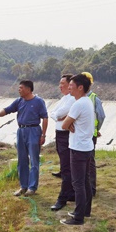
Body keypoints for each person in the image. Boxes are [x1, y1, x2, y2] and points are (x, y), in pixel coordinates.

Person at [0, 80, 48, 196]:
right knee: (22, 159)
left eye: (21, 88)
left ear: (28, 89)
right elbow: (7, 109)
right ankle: (23, 186)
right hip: (21, 131)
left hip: (33, 130)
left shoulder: (38, 101)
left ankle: (32, 187)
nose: (19, 90)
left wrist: (43, 134)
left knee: (34, 160)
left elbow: (45, 118)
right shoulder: (19, 101)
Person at [60, 74, 95, 226]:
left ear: (80, 87)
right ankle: (85, 210)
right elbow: (69, 122)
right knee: (85, 181)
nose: (69, 88)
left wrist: (69, 123)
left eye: (71, 86)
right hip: (86, 146)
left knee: (78, 183)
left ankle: (78, 217)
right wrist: (70, 122)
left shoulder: (78, 104)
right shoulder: (86, 101)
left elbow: (63, 124)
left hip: (78, 148)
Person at [49, 74, 75, 210]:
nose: (60, 86)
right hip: (60, 134)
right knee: (65, 166)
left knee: (66, 168)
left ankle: (63, 198)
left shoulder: (71, 100)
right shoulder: (64, 99)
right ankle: (71, 193)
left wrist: (58, 116)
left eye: (63, 83)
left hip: (66, 135)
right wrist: (57, 116)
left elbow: (58, 115)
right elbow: (54, 114)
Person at [81, 72, 105, 197]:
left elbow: (101, 116)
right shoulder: (79, 97)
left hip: (90, 135)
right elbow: (100, 116)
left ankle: (91, 188)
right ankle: (87, 187)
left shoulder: (94, 98)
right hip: (85, 134)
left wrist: (96, 128)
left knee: (89, 162)